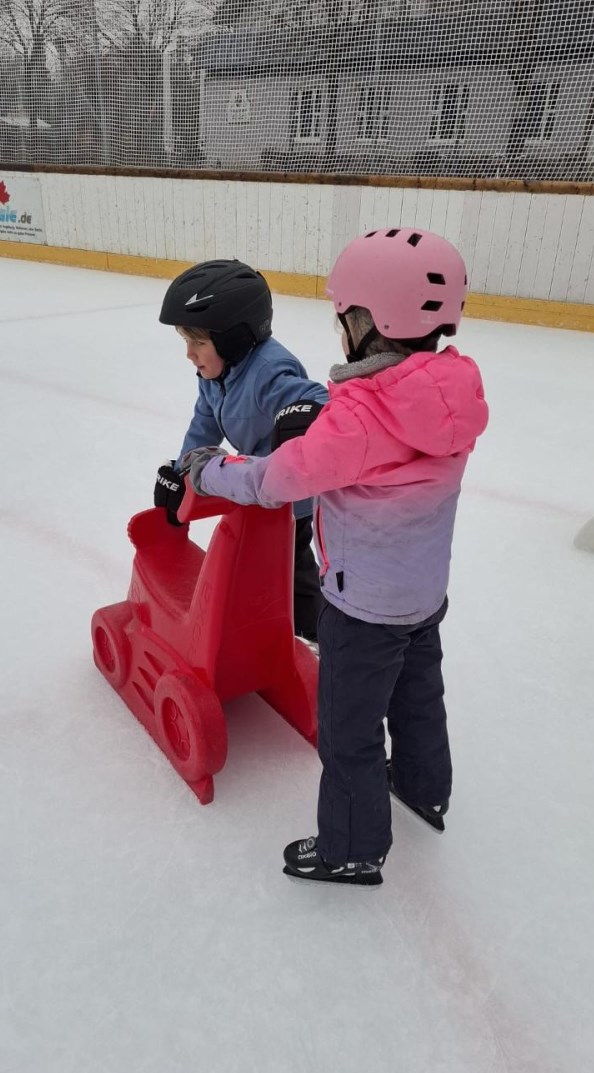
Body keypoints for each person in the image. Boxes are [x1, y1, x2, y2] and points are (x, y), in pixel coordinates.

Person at [182, 228, 489, 886]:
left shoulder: (360, 417)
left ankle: (353, 848)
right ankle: (424, 789)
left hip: (360, 605)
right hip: (423, 595)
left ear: (367, 321)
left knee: (348, 729)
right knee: (418, 695)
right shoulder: (453, 394)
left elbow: (275, 482)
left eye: (341, 314)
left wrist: (209, 474)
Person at [154, 259, 328, 643]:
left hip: (287, 502)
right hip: (250, 487)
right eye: (186, 341)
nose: (189, 354)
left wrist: (304, 413)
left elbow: (313, 397)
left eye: (197, 342)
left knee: (292, 573)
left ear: (234, 338)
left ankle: (316, 641)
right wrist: (184, 471)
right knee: (252, 566)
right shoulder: (214, 375)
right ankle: (260, 627)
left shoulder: (268, 370)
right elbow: (203, 426)